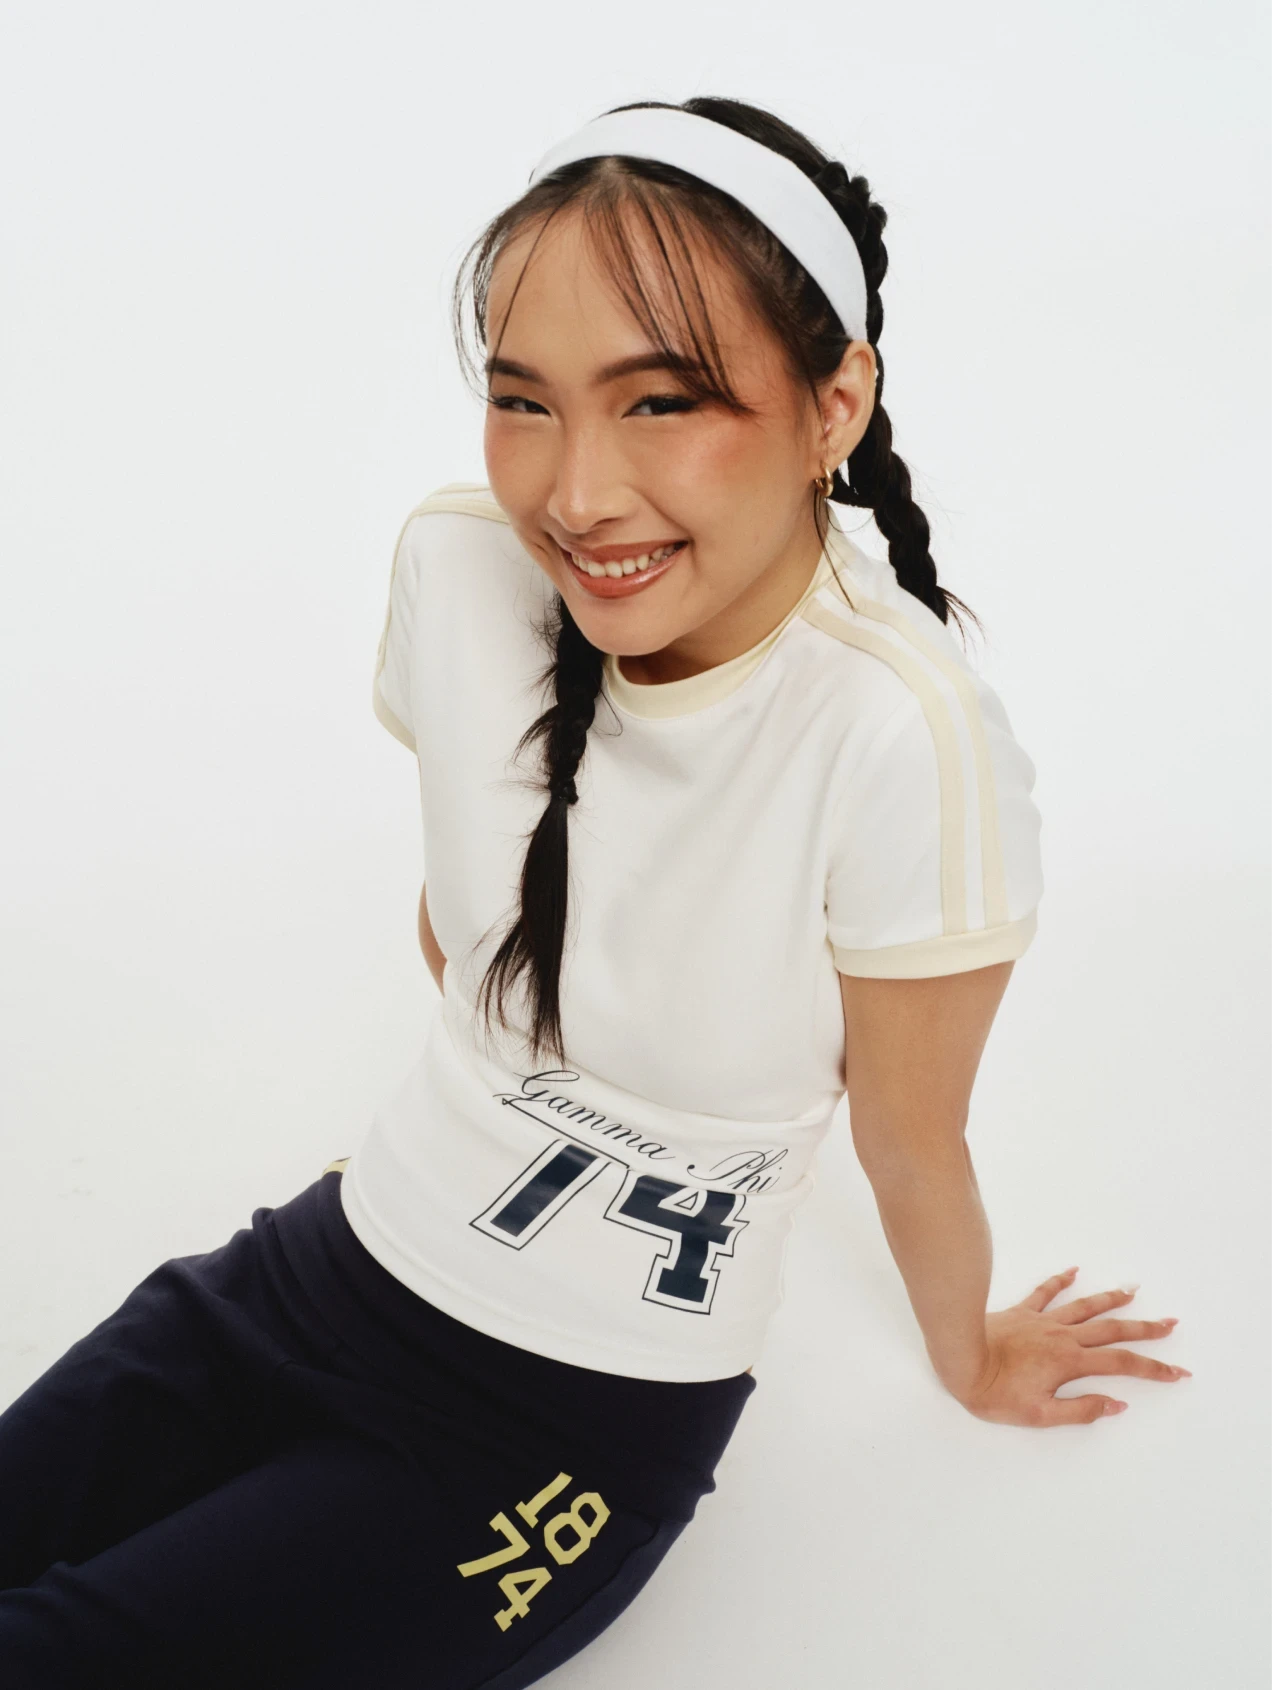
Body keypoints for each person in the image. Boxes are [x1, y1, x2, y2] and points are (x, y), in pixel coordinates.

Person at [0, 95, 1189, 1689]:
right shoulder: (458, 565)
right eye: (523, 400)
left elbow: (911, 1131)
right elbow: (470, 931)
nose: (575, 492)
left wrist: (971, 1349)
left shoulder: (902, 737)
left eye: (664, 401)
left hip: (562, 1419)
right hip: (317, 1271)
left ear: (836, 400)